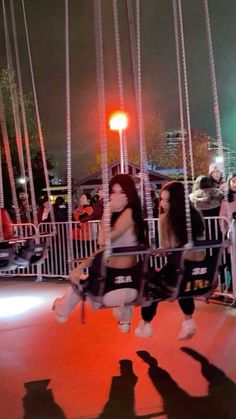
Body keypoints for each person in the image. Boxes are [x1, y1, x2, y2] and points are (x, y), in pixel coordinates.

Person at [52, 174, 146, 333]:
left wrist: (107, 212)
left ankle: (62, 309)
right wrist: (80, 266)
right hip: (125, 284)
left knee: (78, 286)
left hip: (115, 286)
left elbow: (103, 241)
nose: (116, 197)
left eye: (121, 192)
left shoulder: (129, 213)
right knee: (82, 279)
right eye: (113, 192)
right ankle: (124, 317)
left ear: (129, 193)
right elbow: (103, 249)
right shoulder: (128, 215)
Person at [135, 180, 205, 339]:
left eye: (167, 200)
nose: (163, 203)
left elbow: (167, 249)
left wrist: (159, 251)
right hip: (199, 266)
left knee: (152, 286)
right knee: (181, 286)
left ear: (176, 201)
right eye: (162, 199)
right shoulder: (196, 215)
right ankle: (188, 320)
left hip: (180, 266)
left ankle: (146, 324)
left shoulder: (165, 219)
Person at [219, 172, 236, 291]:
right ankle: (233, 283)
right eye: (233, 181)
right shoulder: (226, 200)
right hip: (232, 233)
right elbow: (222, 217)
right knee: (231, 259)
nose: (235, 184)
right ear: (229, 183)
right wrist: (223, 232)